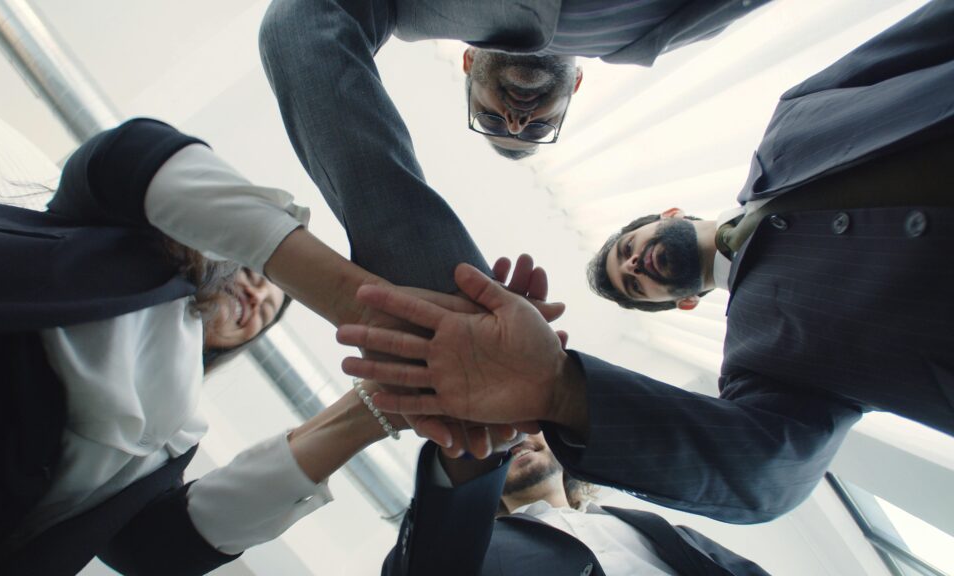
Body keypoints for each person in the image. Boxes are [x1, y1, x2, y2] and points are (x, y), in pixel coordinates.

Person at [333, 0, 954, 523]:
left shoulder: (792, 121)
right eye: (636, 283)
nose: (636, 264)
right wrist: (560, 390)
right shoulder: (760, 363)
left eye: (626, 250)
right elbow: (769, 477)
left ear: (669, 211)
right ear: (683, 303)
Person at [0, 117, 465, 575]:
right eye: (257, 273)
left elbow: (155, 551)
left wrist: (373, 409)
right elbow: (131, 153)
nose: (258, 296)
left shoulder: (175, 439)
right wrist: (357, 300)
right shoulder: (103, 236)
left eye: (271, 310)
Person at [261, 0, 770, 160]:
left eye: (489, 119)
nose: (516, 118)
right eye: (534, 130)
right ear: (574, 87)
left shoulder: (408, 11)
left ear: (466, 65)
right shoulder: (649, 38)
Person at [384, 432, 769, 575]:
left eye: (526, 427)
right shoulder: (473, 550)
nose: (516, 437)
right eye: (504, 434)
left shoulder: (647, 525)